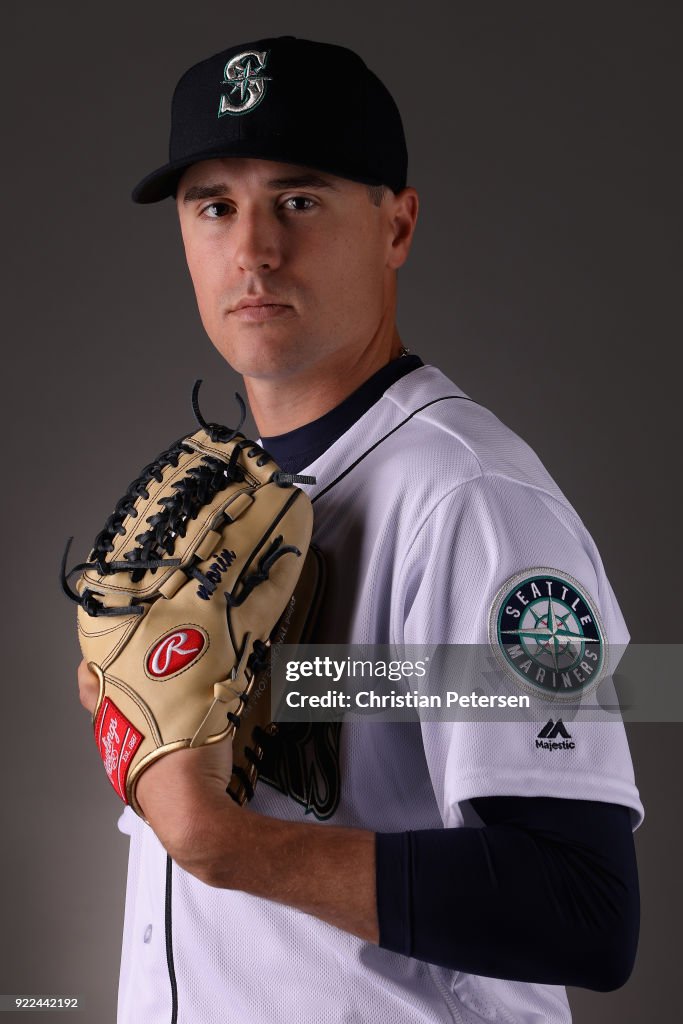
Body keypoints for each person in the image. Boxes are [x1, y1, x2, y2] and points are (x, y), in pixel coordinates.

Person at [77, 36, 643, 1024]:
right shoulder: (225, 514)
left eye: (298, 200)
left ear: (396, 225)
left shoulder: (471, 502)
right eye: (214, 206)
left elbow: (583, 909)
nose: (251, 248)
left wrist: (228, 843)